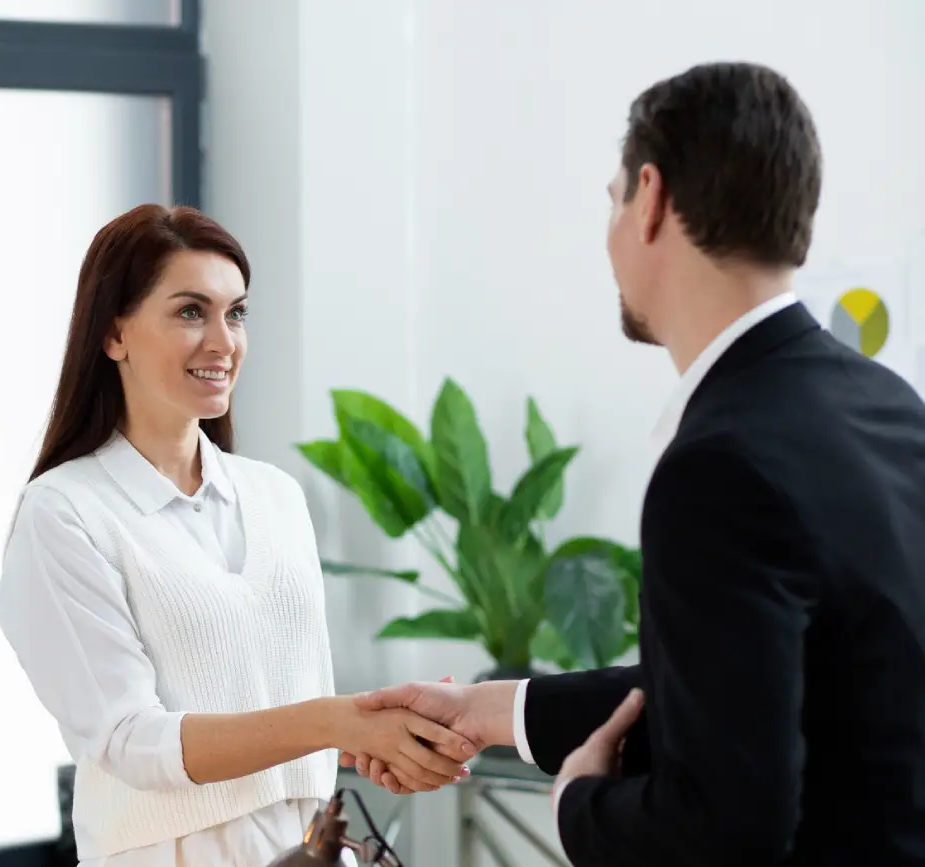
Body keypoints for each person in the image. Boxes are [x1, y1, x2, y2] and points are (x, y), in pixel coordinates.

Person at [341, 61, 925, 866]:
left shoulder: (719, 464)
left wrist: (582, 802)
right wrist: (487, 709)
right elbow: (746, 691)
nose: (610, 227)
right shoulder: (893, 406)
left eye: (612, 198)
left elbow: (725, 828)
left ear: (649, 198)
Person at [0, 205, 475, 867]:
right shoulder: (64, 513)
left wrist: (382, 738)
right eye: (191, 311)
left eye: (236, 312)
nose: (224, 341)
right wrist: (336, 721)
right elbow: (131, 739)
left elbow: (280, 706)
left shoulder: (276, 494)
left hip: (308, 849)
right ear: (113, 334)